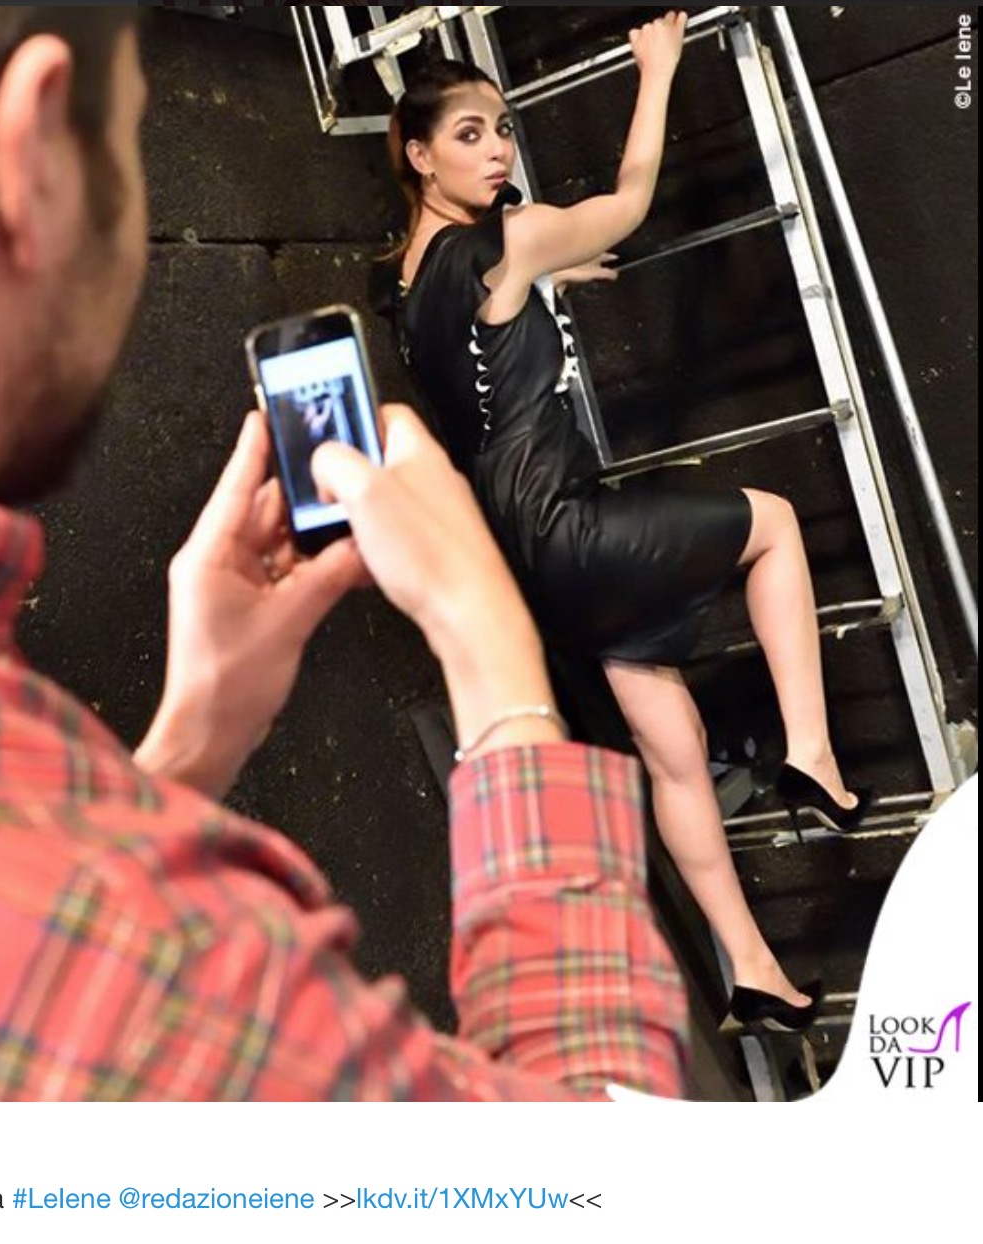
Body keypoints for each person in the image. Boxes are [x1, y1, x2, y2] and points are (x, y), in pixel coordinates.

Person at [0, 6, 686, 1100]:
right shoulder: (152, 984)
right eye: (128, 144)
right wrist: (496, 660)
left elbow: (16, 920)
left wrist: (189, 745)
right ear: (30, 162)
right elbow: (611, 1156)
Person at [385, 12, 869, 1037]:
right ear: (418, 155)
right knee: (775, 524)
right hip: (570, 525)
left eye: (502, 129)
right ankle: (812, 754)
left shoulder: (409, 283)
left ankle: (753, 972)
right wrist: (656, 71)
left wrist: (546, 280)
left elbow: (481, 330)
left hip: (524, 564)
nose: (498, 149)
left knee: (673, 744)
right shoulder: (510, 237)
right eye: (469, 134)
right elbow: (631, 203)